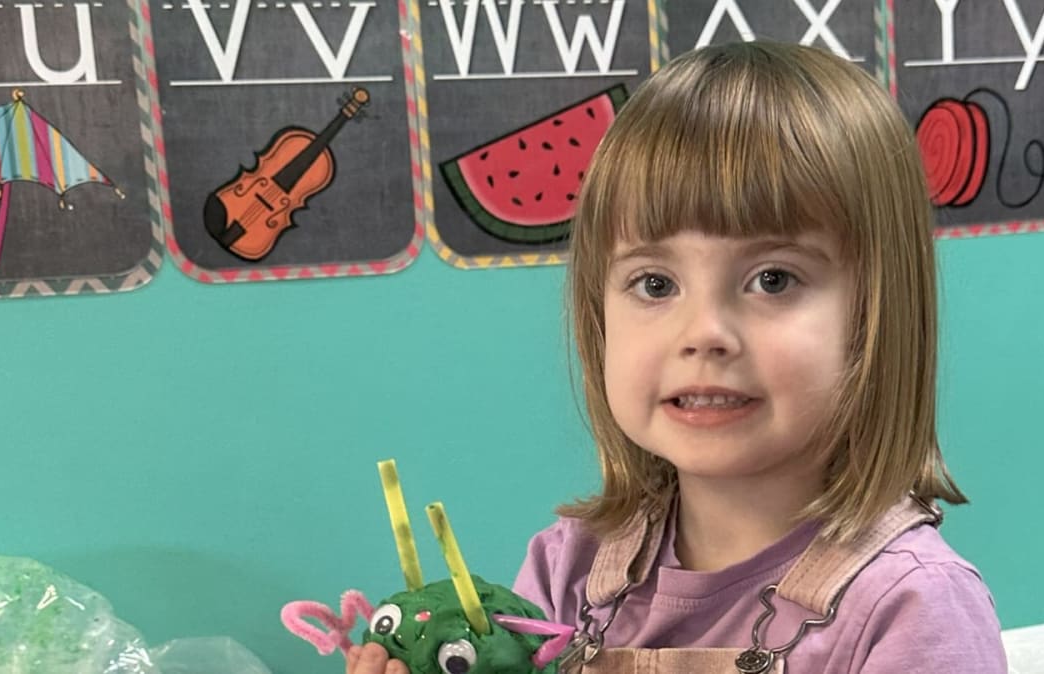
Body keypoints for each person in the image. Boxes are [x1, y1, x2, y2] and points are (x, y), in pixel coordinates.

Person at [349, 40, 1007, 673]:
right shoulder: (568, 568)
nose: (704, 333)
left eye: (773, 278)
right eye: (656, 284)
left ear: (878, 314)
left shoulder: (911, 608)